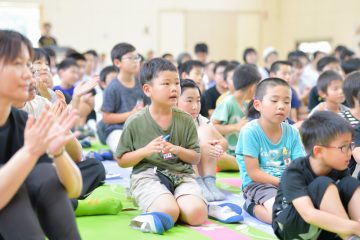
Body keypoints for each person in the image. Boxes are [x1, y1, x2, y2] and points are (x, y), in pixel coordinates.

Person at [0, 29, 81, 239]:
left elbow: (73, 189)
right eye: (17, 64)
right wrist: (30, 152)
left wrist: (58, 152)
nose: (28, 74)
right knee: (15, 190)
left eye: (28, 65)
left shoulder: (23, 122)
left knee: (44, 174)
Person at [116, 58, 207, 234]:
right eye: (166, 83)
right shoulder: (135, 121)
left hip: (181, 175)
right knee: (168, 212)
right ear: (147, 89)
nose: (174, 88)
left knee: (197, 215)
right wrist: (145, 150)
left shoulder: (186, 119)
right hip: (148, 175)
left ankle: (180, 203)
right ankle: (164, 203)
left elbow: (196, 157)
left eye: (177, 83)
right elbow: (121, 160)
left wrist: (177, 150)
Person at [273, 111, 360, 239]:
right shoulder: (294, 171)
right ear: (318, 151)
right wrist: (353, 227)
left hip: (325, 228)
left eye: (350, 146)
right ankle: (348, 236)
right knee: (322, 184)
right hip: (291, 228)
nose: (349, 153)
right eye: (343, 147)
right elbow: (308, 214)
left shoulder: (339, 167)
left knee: (350, 183)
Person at [236, 78, 305, 224]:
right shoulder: (250, 131)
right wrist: (281, 182)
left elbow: (299, 164)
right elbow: (253, 172)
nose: (281, 106)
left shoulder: (292, 132)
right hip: (258, 184)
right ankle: (252, 206)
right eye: (274, 101)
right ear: (257, 104)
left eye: (286, 102)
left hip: (287, 182)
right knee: (280, 217)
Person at [178, 79, 234, 201]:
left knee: (206, 130)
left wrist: (218, 147)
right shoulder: (173, 120)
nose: (195, 106)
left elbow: (223, 142)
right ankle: (197, 182)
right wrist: (200, 145)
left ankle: (209, 182)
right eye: (189, 101)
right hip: (185, 172)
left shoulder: (201, 120)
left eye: (198, 101)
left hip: (204, 167)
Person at [98, 43, 145, 153]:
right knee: (125, 151)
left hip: (136, 129)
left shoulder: (141, 84)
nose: (135, 61)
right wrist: (131, 114)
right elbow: (106, 117)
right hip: (115, 129)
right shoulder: (113, 87)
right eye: (130, 58)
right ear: (117, 62)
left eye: (137, 57)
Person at [212, 64, 261, 158]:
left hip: (241, 154)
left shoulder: (247, 104)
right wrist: (236, 127)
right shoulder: (228, 103)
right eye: (257, 85)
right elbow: (213, 127)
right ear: (253, 87)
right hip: (228, 154)